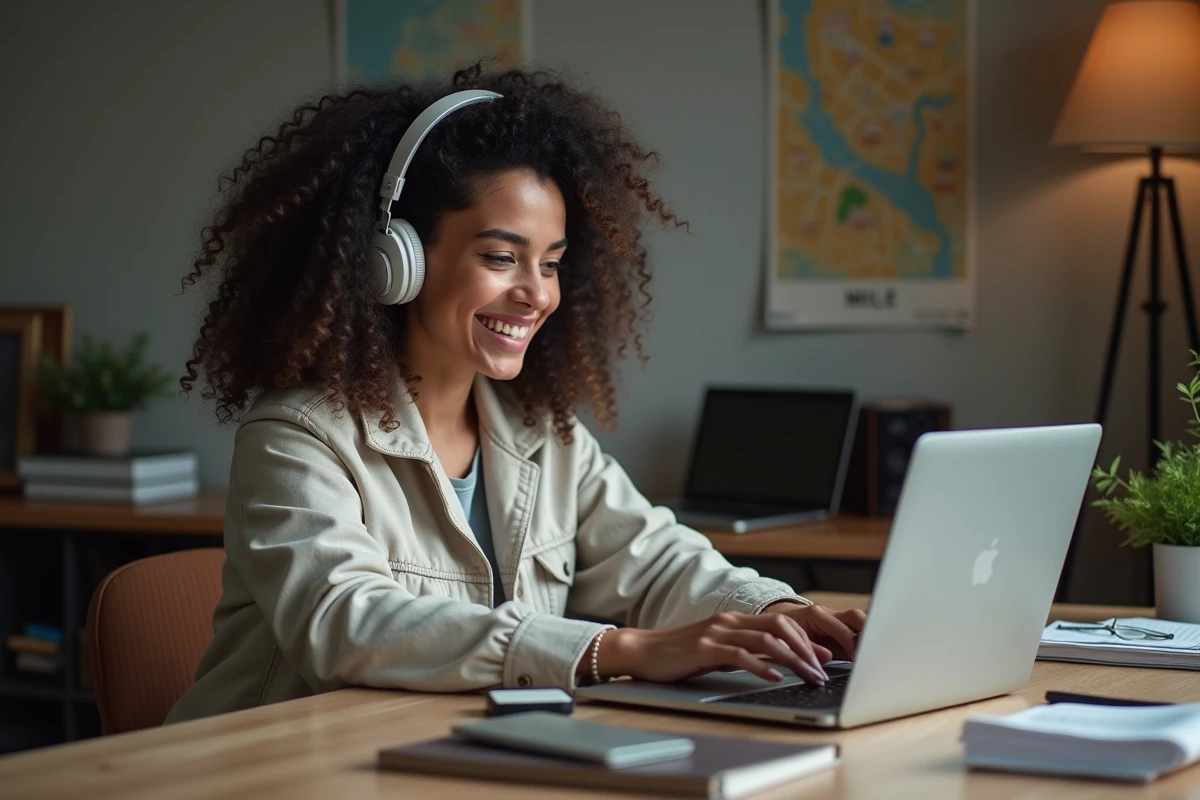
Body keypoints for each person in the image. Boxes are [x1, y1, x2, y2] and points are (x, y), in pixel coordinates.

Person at [165, 64, 866, 724]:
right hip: (273, 771)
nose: (535, 294)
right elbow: (346, 622)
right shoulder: (297, 434)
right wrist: (610, 650)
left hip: (442, 756)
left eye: (552, 265)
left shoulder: (542, 432)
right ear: (395, 261)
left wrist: (782, 612)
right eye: (501, 257)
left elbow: (656, 563)